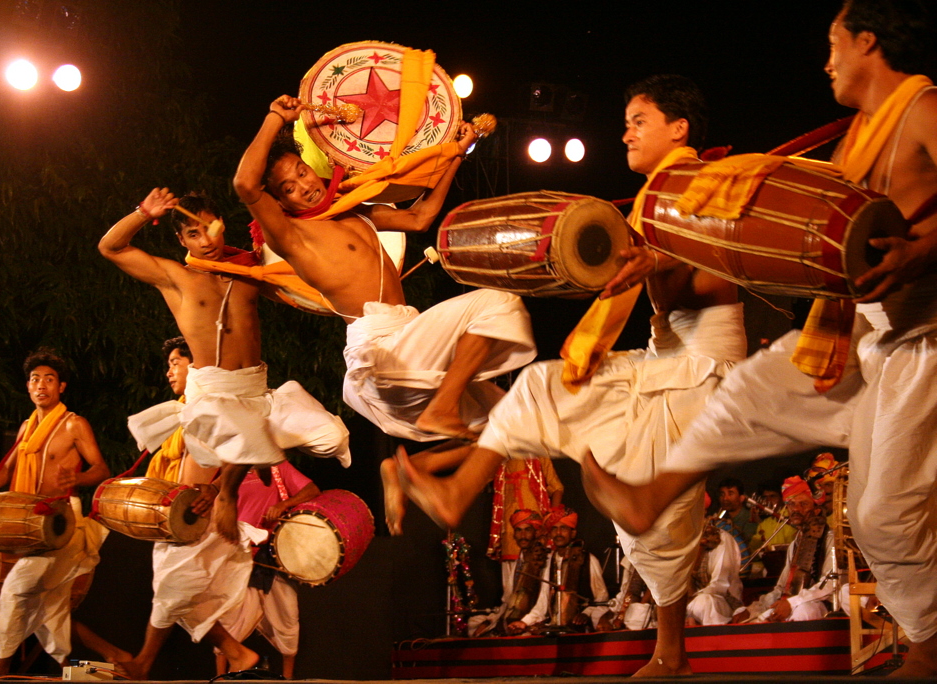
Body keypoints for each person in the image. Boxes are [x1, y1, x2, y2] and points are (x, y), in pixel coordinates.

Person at [582, 1, 937, 675]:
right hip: (866, 331)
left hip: (927, 333)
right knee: (750, 393)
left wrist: (920, 253)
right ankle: (649, 496)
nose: (827, 60)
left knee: (884, 516)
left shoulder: (923, 110)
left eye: (835, 44)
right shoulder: (856, 141)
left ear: (869, 41)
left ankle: (928, 645)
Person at [398, 74, 745, 675]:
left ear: (679, 128)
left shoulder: (699, 182)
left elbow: (722, 250)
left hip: (704, 368)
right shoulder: (652, 195)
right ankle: (457, 491)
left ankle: (670, 655)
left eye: (640, 121)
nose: (626, 133)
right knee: (539, 386)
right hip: (664, 361)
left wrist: (656, 256)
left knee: (662, 514)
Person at [232, 95, 536, 445]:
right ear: (281, 202)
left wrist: (457, 152)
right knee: (499, 304)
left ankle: (417, 474)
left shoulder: (355, 210)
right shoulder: (293, 237)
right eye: (289, 188)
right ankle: (442, 408)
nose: (304, 186)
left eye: (302, 173)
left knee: (512, 418)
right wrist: (275, 118)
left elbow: (419, 217)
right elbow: (245, 185)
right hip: (380, 351)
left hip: (409, 336)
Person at [99, 192, 350, 545]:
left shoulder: (249, 273)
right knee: (244, 433)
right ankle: (229, 491)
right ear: (181, 240)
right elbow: (111, 247)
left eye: (210, 229)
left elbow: (301, 283)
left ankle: (258, 451)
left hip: (257, 389)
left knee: (332, 437)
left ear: (223, 225)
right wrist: (143, 212)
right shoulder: (177, 279)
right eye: (193, 235)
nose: (206, 241)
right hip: (214, 391)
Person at [0, 350, 110, 675]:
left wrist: (77, 477)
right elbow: (4, 473)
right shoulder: (27, 428)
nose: (42, 386)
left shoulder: (74, 424)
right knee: (50, 605)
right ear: (28, 387)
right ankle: (97, 663)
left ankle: (2, 666)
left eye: (49, 380)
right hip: (31, 522)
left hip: (62, 521)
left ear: (61, 387)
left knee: (16, 587)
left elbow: (101, 469)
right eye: (35, 379)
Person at [119, 336, 260, 680]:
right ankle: (239, 654)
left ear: (194, 365)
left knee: (171, 591)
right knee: (182, 599)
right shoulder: (184, 409)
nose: (169, 371)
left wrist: (215, 489)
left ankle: (143, 663)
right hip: (177, 516)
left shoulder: (211, 404)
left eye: (175, 362)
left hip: (200, 515)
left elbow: (244, 447)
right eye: (168, 364)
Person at [216, 463, 321, 679]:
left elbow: (312, 490)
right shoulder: (230, 470)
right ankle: (219, 677)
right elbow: (215, 501)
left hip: (275, 556)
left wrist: (285, 504)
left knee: (288, 617)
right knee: (228, 618)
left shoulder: (276, 467)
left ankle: (288, 680)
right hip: (238, 555)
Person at [731, 477, 837, 624]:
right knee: (751, 620)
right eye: (791, 504)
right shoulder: (795, 544)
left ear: (817, 510)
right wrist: (754, 609)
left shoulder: (831, 539)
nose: (796, 509)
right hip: (792, 603)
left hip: (821, 605)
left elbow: (831, 586)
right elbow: (781, 589)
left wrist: (792, 603)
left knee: (803, 611)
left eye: (803, 504)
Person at [506, 506, 610, 634]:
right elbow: (542, 604)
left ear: (573, 533)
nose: (558, 533)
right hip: (554, 627)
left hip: (581, 630)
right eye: (554, 529)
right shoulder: (550, 561)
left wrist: (586, 614)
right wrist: (524, 622)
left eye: (563, 528)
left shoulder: (588, 560)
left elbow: (602, 599)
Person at [468, 509, 547, 636]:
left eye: (527, 530)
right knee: (474, 624)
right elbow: (507, 602)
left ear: (536, 533)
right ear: (514, 535)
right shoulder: (517, 563)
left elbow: (543, 603)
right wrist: (489, 622)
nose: (523, 535)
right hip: (511, 618)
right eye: (519, 530)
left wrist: (525, 622)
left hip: (533, 621)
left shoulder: (544, 560)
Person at [486, 457, 563, 586]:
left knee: (539, 575)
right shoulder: (500, 456)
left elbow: (557, 488)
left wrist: (551, 517)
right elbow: (482, 478)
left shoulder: (539, 454)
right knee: (510, 584)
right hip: (510, 530)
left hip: (536, 527)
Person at [686, 518, 743, 626]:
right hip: (687, 602)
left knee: (703, 603)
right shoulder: (679, 542)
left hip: (721, 601)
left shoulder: (722, 539)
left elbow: (720, 585)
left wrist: (689, 606)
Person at [716, 478, 757, 547]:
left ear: (741, 498)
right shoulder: (720, 517)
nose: (725, 498)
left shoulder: (749, 518)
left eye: (730, 494)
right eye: (722, 494)